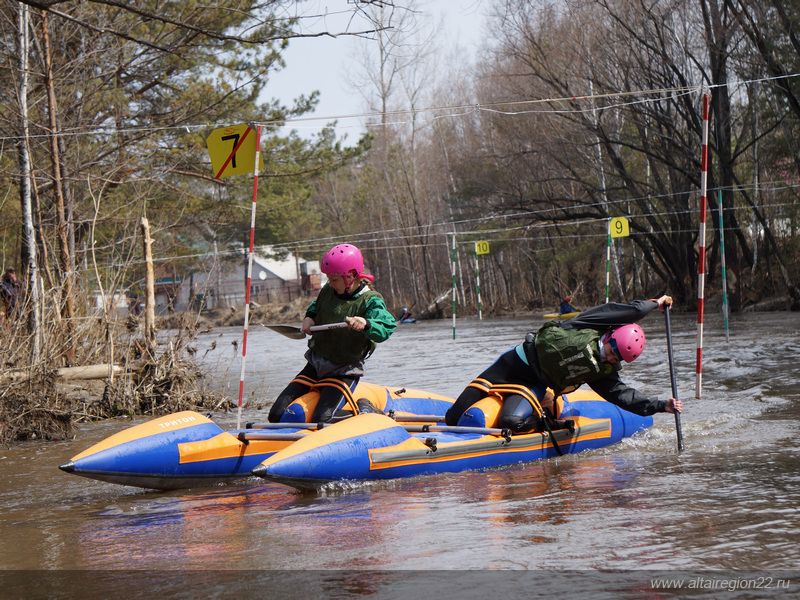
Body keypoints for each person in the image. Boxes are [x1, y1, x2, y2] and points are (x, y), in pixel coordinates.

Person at [445, 296, 683, 431]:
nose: (611, 358)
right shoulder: (588, 324)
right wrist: (657, 303)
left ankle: (547, 422)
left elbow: (623, 396)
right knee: (452, 418)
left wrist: (661, 405)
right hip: (510, 365)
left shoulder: (602, 371)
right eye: (612, 350)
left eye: (617, 358)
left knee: (511, 422)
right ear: (609, 336)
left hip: (533, 384)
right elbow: (629, 310)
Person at [268, 243, 397, 423]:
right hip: (315, 364)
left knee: (322, 419)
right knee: (275, 415)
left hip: (344, 370)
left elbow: (387, 325)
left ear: (350, 277)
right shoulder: (329, 290)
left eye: (334, 279)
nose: (330, 283)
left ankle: (365, 411)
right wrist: (309, 318)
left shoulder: (371, 300)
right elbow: (316, 306)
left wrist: (366, 323)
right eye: (329, 278)